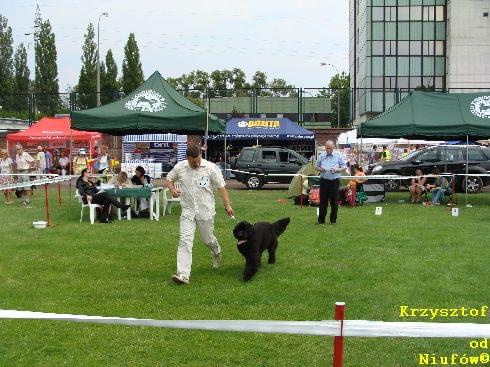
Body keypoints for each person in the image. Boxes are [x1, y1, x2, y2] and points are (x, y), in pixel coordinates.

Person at [166, 145, 234, 285]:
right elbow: (169, 178)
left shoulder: (211, 168)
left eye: (198, 161)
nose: (196, 164)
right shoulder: (180, 167)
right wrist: (172, 190)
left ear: (200, 156)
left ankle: (216, 251)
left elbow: (221, 187)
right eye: (193, 162)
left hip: (205, 211)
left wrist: (227, 205)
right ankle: (183, 275)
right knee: (185, 241)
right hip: (188, 211)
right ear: (187, 158)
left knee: (207, 240)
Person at [315, 140, 348, 224]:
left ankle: (333, 220)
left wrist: (337, 170)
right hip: (324, 181)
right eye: (327, 148)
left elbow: (344, 167)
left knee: (334, 201)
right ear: (325, 148)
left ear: (333, 147)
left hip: (334, 181)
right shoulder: (321, 155)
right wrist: (321, 169)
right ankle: (321, 220)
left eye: (330, 148)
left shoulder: (338, 155)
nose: (328, 150)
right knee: (323, 201)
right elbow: (316, 166)